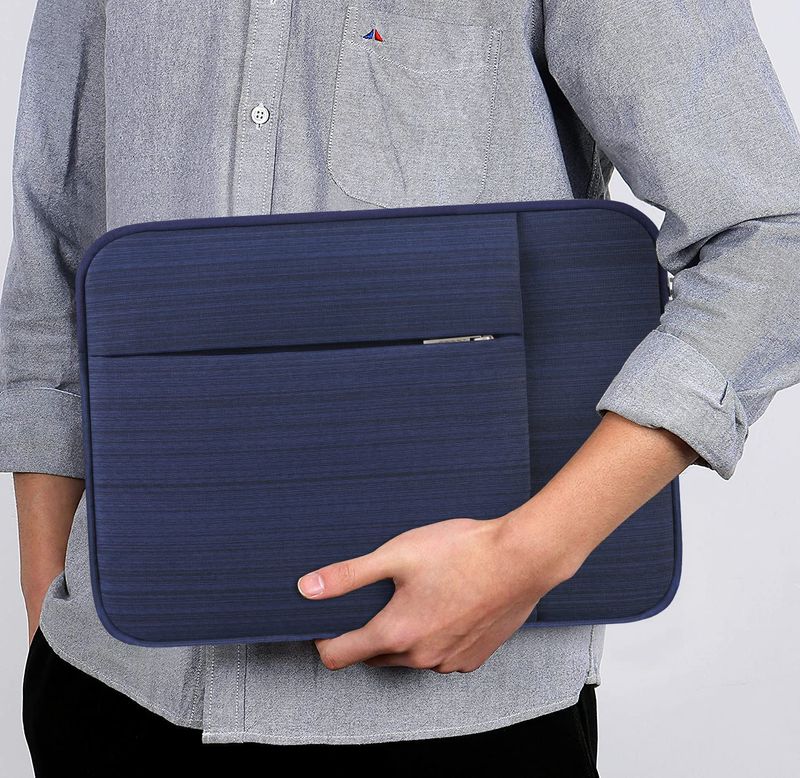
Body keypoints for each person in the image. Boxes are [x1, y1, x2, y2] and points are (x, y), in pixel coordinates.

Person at [2, 1, 799, 775]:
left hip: (462, 709)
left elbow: (773, 239)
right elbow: (54, 258)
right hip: (112, 693)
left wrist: (525, 556)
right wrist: (48, 621)